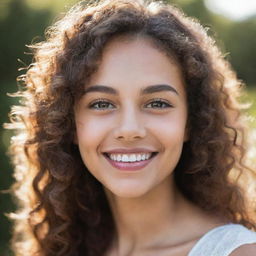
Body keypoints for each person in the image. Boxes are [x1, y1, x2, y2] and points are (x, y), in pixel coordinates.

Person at [5, 0, 256, 255]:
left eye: (157, 103)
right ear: (67, 124)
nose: (129, 129)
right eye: (101, 103)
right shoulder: (63, 248)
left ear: (191, 122)